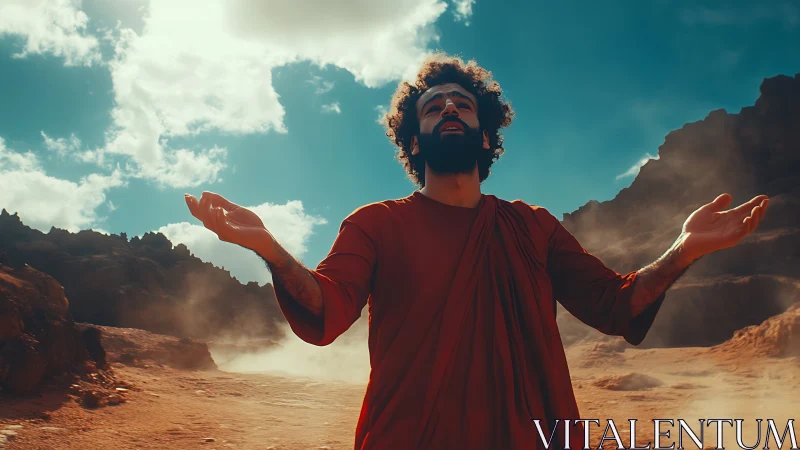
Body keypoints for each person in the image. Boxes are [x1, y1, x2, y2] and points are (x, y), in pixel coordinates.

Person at [185, 53, 770, 450]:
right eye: (433, 106)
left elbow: (616, 304)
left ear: (486, 135)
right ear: (414, 140)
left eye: (462, 105)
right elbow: (327, 308)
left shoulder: (531, 227)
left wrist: (685, 249)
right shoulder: (375, 225)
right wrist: (271, 250)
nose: (449, 111)